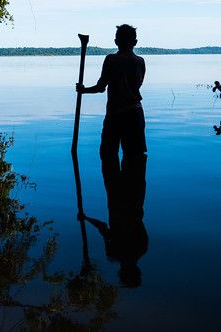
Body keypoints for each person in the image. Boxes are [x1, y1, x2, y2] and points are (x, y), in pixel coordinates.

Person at [76, 24, 148, 287]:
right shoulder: (140, 61)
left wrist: (82, 91)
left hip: (117, 115)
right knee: (135, 160)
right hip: (136, 113)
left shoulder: (112, 59)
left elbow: (102, 87)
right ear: (135, 41)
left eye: (117, 37)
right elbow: (135, 85)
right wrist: (89, 220)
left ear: (119, 41)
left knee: (108, 156)